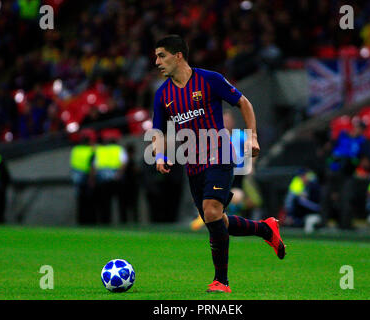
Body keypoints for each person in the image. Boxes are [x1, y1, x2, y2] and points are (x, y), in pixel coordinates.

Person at [151, 35, 285, 293]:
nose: (156, 61)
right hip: (192, 163)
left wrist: (252, 136)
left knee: (211, 212)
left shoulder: (209, 80)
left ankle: (221, 281)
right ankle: (266, 229)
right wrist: (159, 155)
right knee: (218, 221)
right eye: (156, 56)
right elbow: (157, 131)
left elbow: (243, 102)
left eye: (161, 55)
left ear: (178, 55)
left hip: (219, 155)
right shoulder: (162, 95)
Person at [321, 119, 370, 230]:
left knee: (346, 199)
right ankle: (323, 223)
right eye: (359, 127)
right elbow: (329, 147)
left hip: (347, 173)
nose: (359, 130)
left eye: (362, 129)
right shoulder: (342, 135)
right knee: (326, 196)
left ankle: (344, 225)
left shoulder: (362, 141)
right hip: (334, 170)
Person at [93, 129, 128, 225]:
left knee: (105, 204)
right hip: (117, 180)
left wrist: (95, 179)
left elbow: (95, 166)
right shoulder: (119, 149)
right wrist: (119, 175)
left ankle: (105, 223)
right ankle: (123, 222)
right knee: (121, 203)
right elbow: (124, 163)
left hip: (103, 180)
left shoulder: (100, 150)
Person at [70, 129, 97, 225]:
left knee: (80, 202)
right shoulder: (91, 150)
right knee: (89, 202)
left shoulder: (75, 150)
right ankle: (90, 222)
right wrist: (92, 179)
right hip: (87, 178)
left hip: (77, 178)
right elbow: (92, 166)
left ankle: (81, 222)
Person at [283, 168, 321, 233]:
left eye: (303, 176)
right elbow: (290, 201)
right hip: (305, 212)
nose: (302, 178)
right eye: (301, 176)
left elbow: (316, 203)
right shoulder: (298, 183)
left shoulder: (314, 185)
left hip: (317, 211)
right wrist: (289, 214)